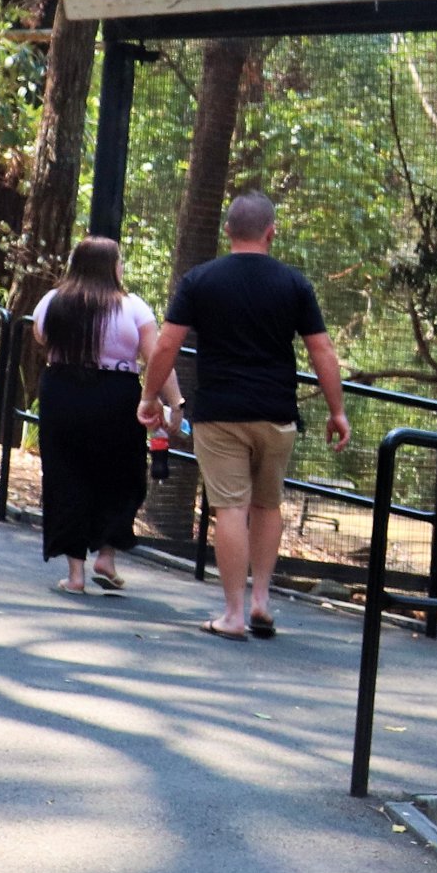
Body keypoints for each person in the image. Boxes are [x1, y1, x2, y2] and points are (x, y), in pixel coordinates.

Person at [141, 191, 348, 640]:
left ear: (228, 231)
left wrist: (149, 396)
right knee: (267, 504)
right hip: (276, 412)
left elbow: (165, 345)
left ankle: (232, 614)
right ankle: (261, 601)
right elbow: (322, 351)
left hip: (220, 413)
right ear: (271, 232)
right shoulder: (294, 284)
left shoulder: (200, 280)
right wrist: (337, 411)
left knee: (230, 508)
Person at [27, 238, 158, 598]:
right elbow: (156, 357)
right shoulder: (133, 307)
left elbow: (41, 335)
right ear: (112, 267)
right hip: (116, 397)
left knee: (66, 474)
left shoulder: (54, 300)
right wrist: (172, 401)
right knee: (120, 474)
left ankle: (75, 575)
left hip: (63, 391)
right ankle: (107, 555)